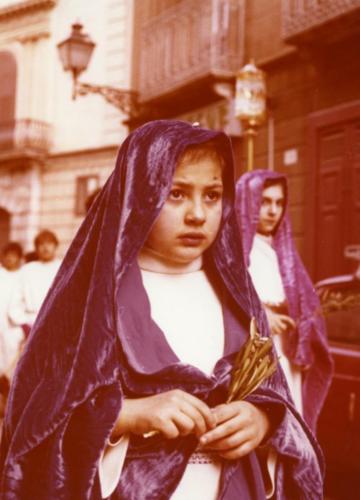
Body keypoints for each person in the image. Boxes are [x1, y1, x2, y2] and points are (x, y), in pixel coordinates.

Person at [0, 121, 323, 499]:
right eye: (176, 194)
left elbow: (275, 397)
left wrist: (262, 420)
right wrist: (128, 414)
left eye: (212, 195)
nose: (198, 214)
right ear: (140, 194)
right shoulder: (94, 298)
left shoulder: (240, 295)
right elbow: (37, 419)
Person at [235, 170, 333, 430]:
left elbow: (305, 300)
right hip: (254, 358)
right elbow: (228, 298)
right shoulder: (236, 252)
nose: (272, 211)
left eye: (279, 203)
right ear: (248, 202)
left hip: (286, 352)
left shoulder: (284, 251)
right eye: (265, 201)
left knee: (290, 426)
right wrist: (261, 315)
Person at [8, 230, 61, 331]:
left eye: (49, 243)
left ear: (55, 246)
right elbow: (15, 302)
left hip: (57, 322)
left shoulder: (63, 268)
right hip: (32, 322)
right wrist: (24, 325)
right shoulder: (27, 270)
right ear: (36, 248)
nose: (45, 248)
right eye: (41, 244)